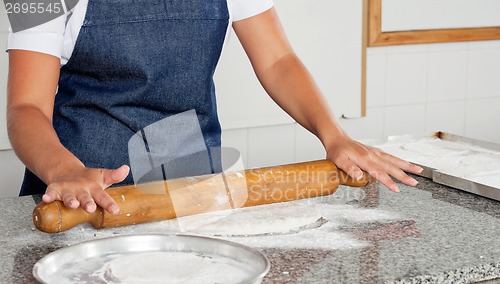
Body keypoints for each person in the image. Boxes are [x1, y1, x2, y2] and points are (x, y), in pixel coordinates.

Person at [6, 0, 422, 216]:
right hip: (81, 194)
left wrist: (336, 136)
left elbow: (278, 60)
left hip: (190, 189)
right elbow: (26, 106)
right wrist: (63, 171)